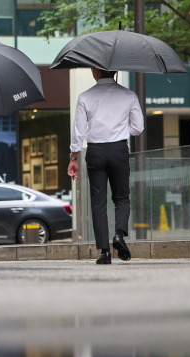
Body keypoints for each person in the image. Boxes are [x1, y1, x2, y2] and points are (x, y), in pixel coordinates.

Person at [67, 68, 144, 265]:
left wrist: (73, 157)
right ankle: (119, 235)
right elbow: (138, 127)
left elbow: (78, 130)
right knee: (121, 197)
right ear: (115, 70)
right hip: (119, 150)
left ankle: (105, 252)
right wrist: (118, 130)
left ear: (95, 71)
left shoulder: (85, 97)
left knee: (98, 201)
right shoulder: (129, 95)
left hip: (96, 151)